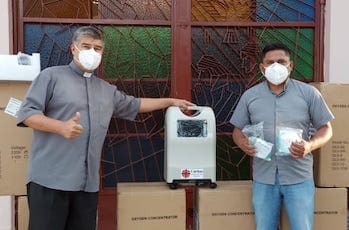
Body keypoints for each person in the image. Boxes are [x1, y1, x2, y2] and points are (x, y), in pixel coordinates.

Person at [16, 26, 194, 230]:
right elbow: (27, 114)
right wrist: (60, 127)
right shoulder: (51, 77)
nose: (92, 52)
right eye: (86, 46)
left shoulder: (106, 90)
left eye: (97, 48)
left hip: (87, 185)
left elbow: (135, 104)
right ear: (73, 49)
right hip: (49, 181)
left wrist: (170, 102)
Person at [229, 43, 334, 230]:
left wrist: (309, 146)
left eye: (281, 62)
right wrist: (243, 143)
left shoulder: (309, 93)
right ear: (262, 68)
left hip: (299, 177)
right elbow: (237, 131)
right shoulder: (250, 96)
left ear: (291, 66)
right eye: (270, 63)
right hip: (264, 178)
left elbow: (326, 129)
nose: (276, 66)